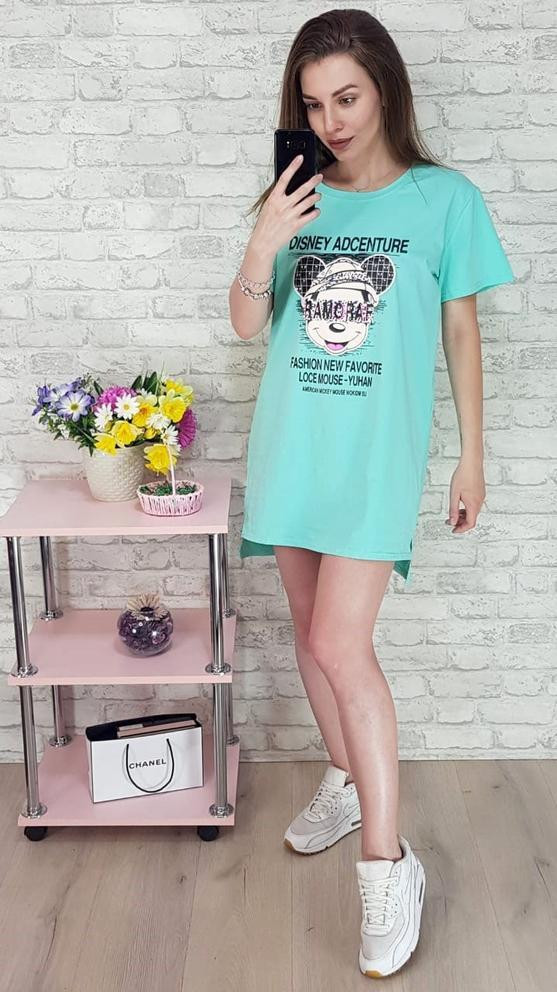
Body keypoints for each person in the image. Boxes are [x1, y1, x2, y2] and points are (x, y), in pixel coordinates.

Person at [228, 8, 514, 979]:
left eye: (346, 97)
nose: (331, 121)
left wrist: (470, 456)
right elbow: (246, 323)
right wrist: (265, 237)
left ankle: (388, 868)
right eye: (312, 104)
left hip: (372, 460)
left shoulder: (444, 199)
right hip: (291, 446)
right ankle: (345, 780)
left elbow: (460, 331)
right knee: (311, 635)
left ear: (385, 87)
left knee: (340, 645)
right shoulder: (295, 198)